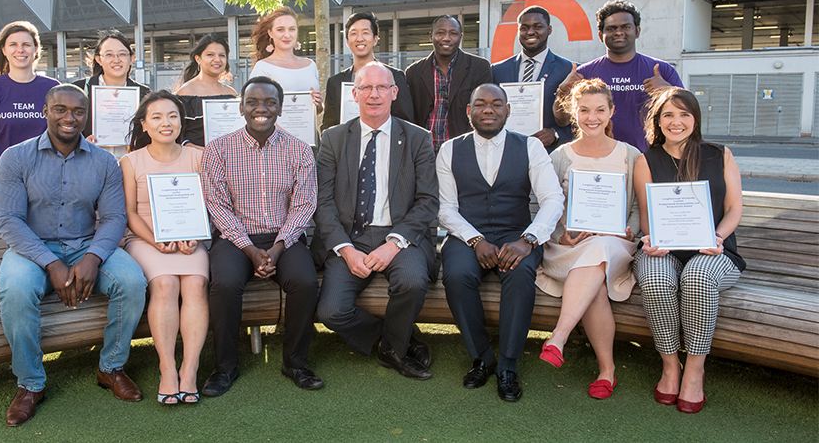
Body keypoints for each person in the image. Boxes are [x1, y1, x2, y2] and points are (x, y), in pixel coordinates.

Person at [0, 84, 147, 426]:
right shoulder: (16, 158)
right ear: (45, 111)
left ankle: (110, 368)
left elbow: (112, 219)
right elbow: (8, 221)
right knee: (17, 291)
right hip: (32, 248)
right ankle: (30, 384)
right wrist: (51, 263)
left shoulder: (105, 162)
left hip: (85, 244)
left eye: (78, 111)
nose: (69, 117)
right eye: (61, 109)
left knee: (132, 281)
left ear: (86, 115)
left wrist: (92, 258)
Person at [437, 84, 563, 401]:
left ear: (508, 110)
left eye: (496, 104)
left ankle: (507, 365)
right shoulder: (449, 150)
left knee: (520, 274)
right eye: (480, 104)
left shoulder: (531, 147)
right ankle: (481, 357)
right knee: (456, 275)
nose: (488, 109)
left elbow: (552, 199)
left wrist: (529, 239)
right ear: (469, 112)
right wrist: (474, 239)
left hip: (516, 233)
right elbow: (445, 207)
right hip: (467, 234)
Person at [315, 62, 439, 381]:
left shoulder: (418, 139)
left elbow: (428, 201)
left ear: (394, 93)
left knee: (411, 280)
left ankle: (394, 353)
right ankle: (394, 339)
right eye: (367, 88)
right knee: (330, 311)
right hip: (350, 237)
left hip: (400, 235)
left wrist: (394, 244)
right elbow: (323, 202)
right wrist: (345, 249)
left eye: (382, 87)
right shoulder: (333, 138)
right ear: (354, 94)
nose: (374, 94)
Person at [200, 76, 323, 396]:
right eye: (253, 102)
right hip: (234, 238)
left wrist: (278, 248)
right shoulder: (218, 149)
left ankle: (295, 362)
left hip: (285, 236)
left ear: (280, 108)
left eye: (269, 102)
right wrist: (251, 250)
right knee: (224, 282)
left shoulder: (299, 149)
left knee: (305, 282)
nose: (261, 108)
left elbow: (305, 204)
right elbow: (217, 206)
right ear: (241, 107)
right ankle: (224, 367)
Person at [633, 87, 744, 414]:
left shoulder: (719, 154)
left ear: (695, 119)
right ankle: (670, 366)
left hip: (714, 250)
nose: (676, 121)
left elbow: (734, 207)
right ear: (658, 120)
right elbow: (645, 214)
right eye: (668, 114)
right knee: (655, 280)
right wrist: (651, 237)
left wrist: (718, 237)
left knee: (696, 277)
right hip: (663, 250)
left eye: (684, 114)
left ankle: (695, 369)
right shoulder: (646, 159)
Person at [535, 79, 640, 399]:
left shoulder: (630, 155)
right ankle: (607, 371)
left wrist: (628, 230)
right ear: (573, 113)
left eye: (599, 110)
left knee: (600, 248)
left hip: (616, 244)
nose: (591, 117)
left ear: (611, 112)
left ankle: (559, 337)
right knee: (593, 274)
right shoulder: (559, 155)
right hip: (568, 247)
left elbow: (636, 207)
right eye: (583, 110)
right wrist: (559, 234)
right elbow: (542, 203)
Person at [120, 90, 209, 405]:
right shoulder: (131, 161)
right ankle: (167, 367)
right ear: (144, 124)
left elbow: (207, 204)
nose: (166, 123)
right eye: (156, 117)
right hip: (146, 239)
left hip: (190, 238)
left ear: (182, 121)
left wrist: (196, 234)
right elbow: (129, 213)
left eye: (172, 115)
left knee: (196, 284)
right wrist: (156, 239)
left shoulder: (198, 157)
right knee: (165, 283)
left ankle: (190, 367)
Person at [554, 0, 682, 152]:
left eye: (626, 27)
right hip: (598, 159)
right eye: (611, 28)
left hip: (650, 159)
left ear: (638, 31)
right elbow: (562, 121)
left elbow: (687, 115)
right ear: (601, 35)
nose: (619, 32)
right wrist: (563, 90)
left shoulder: (662, 71)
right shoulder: (584, 73)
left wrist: (667, 92)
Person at [0, 21, 58, 192]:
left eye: (26, 45)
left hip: (47, 183)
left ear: (36, 50)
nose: (20, 50)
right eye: (13, 45)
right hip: (6, 183)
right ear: (4, 50)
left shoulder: (53, 89)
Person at [490, 5, 575, 152]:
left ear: (549, 30)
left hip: (549, 153)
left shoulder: (568, 70)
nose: (530, 32)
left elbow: (579, 117)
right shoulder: (497, 70)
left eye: (538, 27)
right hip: (506, 152)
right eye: (524, 28)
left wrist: (556, 134)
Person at [406, 15, 492, 152]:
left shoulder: (479, 67)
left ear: (461, 37)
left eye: (453, 33)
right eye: (441, 33)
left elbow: (483, 112)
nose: (447, 38)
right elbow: (410, 117)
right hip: (425, 152)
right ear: (431, 36)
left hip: (464, 150)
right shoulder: (413, 72)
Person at [321, 12, 414, 131]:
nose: (360, 38)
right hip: (346, 147)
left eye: (365, 33)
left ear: (375, 39)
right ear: (347, 41)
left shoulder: (394, 77)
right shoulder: (335, 83)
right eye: (354, 33)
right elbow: (328, 126)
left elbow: (406, 122)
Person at [72, 30, 151, 160]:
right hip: (89, 161)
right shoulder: (80, 89)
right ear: (98, 59)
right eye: (109, 55)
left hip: (129, 164)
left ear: (132, 59)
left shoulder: (143, 94)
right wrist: (80, 142)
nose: (116, 60)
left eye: (122, 54)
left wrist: (137, 143)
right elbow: (66, 127)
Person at [249, 7, 323, 113]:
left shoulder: (310, 65)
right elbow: (255, 109)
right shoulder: (263, 67)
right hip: (276, 130)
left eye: (292, 29)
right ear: (270, 33)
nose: (287, 35)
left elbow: (317, 111)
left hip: (308, 129)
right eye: (280, 30)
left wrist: (319, 104)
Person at [173, 34, 238, 148]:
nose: (217, 59)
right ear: (198, 59)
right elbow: (177, 134)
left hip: (228, 159)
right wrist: (205, 152)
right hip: (195, 159)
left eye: (222, 55)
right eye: (210, 55)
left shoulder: (231, 94)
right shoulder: (185, 93)